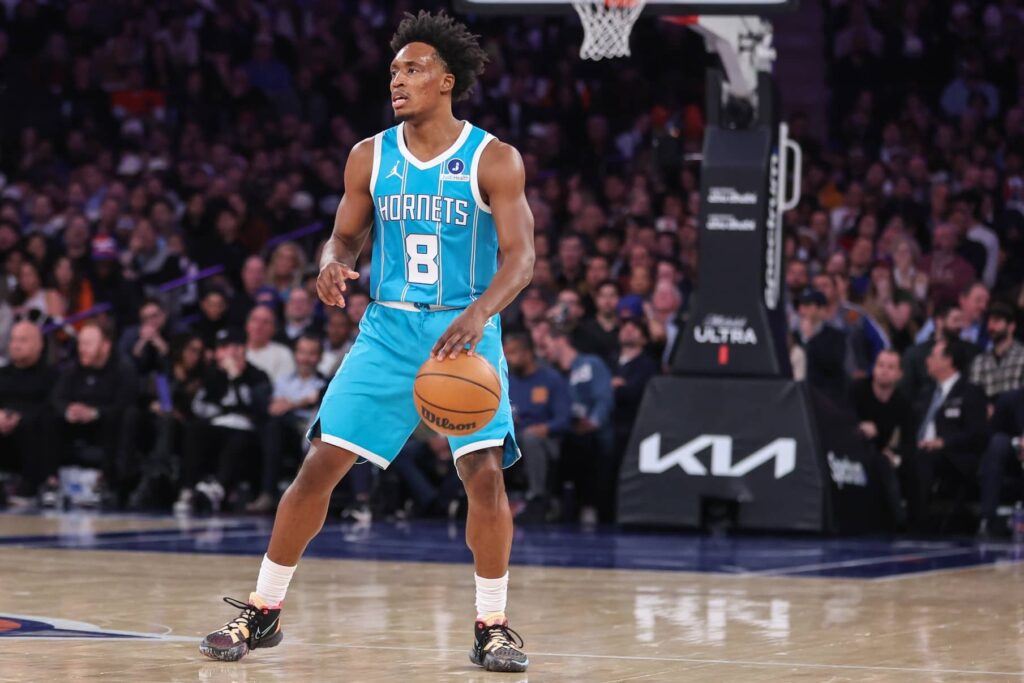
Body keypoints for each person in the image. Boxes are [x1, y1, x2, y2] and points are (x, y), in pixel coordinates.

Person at [200, 12, 535, 673]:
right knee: (320, 465)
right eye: (393, 71)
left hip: (463, 332)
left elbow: (521, 258)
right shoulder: (369, 154)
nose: (397, 80)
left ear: (446, 80)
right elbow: (346, 235)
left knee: (485, 477)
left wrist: (479, 312)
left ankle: (492, 624)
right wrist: (331, 260)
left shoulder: (495, 157)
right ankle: (263, 609)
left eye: (411, 70)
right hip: (386, 329)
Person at [178, 327, 271, 514]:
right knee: (194, 430)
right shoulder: (213, 375)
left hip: (246, 428)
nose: (221, 353)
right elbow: (200, 407)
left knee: (237, 438)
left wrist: (236, 378)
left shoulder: (256, 375)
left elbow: (252, 407)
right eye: (220, 348)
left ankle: (218, 488)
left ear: (240, 349)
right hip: (218, 424)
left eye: (226, 347)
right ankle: (188, 487)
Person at [51, 321, 139, 505]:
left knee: (126, 418)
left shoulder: (124, 369)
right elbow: (57, 398)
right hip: (76, 425)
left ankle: (111, 483)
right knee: (48, 417)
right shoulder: (73, 369)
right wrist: (68, 410)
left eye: (88, 344)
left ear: (105, 345)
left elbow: (125, 404)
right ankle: (49, 482)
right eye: (81, 343)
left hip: (107, 424)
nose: (82, 349)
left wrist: (95, 413)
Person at [908, 339, 988, 528]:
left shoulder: (970, 391)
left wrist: (943, 442)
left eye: (932, 356)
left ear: (948, 360)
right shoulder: (927, 393)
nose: (927, 360)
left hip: (956, 458)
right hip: (924, 450)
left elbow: (977, 434)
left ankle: (918, 522)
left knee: (923, 459)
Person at [248, 334, 327, 513]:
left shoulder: (323, 384)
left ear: (320, 357)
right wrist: (301, 401)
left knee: (278, 425)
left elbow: (315, 402)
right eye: (302, 352)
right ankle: (267, 493)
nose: (306, 359)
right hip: (284, 433)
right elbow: (275, 407)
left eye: (312, 354)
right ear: (295, 354)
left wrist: (292, 403)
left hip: (309, 432)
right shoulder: (282, 381)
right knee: (272, 426)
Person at [544, 325, 614, 525]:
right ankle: (551, 503)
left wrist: (592, 422)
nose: (545, 352)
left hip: (593, 435)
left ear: (560, 340)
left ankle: (589, 505)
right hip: (563, 433)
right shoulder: (551, 374)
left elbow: (604, 399)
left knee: (584, 442)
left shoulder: (590, 364)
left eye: (547, 345)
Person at [504, 331, 571, 523]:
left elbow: (564, 419)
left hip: (547, 440)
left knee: (530, 438)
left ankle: (537, 497)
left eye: (513, 352)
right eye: (506, 353)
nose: (508, 357)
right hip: (515, 437)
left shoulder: (551, 379)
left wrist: (544, 428)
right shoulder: (506, 379)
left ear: (528, 353)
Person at [0, 321, 58, 504]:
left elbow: (53, 406)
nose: (15, 345)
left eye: (23, 340)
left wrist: (19, 417)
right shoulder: (2, 374)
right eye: (13, 340)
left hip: (33, 430)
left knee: (44, 421)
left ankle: (31, 485)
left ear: (39, 345)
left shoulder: (52, 376)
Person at [977, 388, 1024, 537]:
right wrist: (1018, 443)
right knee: (998, 443)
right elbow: (992, 432)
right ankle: (987, 518)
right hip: (1015, 455)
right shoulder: (1011, 398)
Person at [795, 289, 848, 405]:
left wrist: (811, 339)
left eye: (808, 305)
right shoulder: (792, 336)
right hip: (795, 395)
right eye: (801, 305)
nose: (802, 310)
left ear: (822, 310)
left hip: (825, 397)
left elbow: (833, 365)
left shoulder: (836, 336)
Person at [969, 303, 1024, 403]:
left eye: (996, 321)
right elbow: (973, 396)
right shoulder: (980, 361)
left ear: (1011, 326)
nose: (991, 326)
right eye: (989, 322)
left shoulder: (1022, 356)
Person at [245, 304, 295, 382]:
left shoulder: (283, 353)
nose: (259, 326)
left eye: (265, 322)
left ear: (274, 329)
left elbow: (283, 387)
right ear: (247, 325)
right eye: (255, 320)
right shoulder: (234, 351)